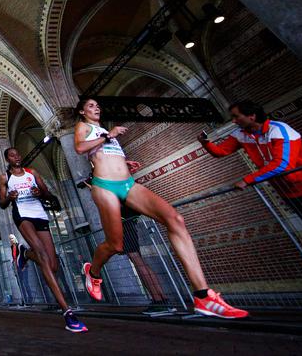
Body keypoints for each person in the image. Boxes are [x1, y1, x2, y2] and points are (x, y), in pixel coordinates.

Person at [74, 98, 248, 319]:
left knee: (175, 219)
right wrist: (109, 135)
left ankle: (204, 296)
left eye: (98, 105)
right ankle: (93, 271)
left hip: (128, 183)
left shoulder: (103, 131)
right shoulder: (84, 127)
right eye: (91, 106)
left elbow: (105, 155)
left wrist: (124, 162)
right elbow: (80, 148)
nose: (96, 108)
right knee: (116, 245)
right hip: (104, 186)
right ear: (82, 111)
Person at [198, 100, 302, 250]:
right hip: (289, 195)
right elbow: (221, 151)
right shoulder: (240, 135)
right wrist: (205, 143)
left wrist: (247, 180)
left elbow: (282, 164)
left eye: (236, 116)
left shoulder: (279, 130)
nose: (233, 121)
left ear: (251, 116)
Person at [0, 148, 88, 332]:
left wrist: (39, 192)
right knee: (43, 256)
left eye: (18, 154)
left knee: (52, 264)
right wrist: (10, 196)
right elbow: (2, 203)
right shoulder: (5, 178)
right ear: (7, 159)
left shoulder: (32, 173)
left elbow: (47, 194)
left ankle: (25, 253)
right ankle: (67, 312)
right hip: (22, 214)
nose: (16, 157)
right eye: (12, 155)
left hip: (39, 213)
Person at [9, 234, 32, 303]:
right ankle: (24, 300)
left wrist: (24, 266)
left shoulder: (20, 246)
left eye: (12, 238)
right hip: (17, 268)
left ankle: (30, 299)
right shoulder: (12, 247)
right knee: (20, 284)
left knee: (25, 283)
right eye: (10, 239)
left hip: (23, 267)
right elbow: (14, 257)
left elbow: (26, 255)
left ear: (15, 238)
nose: (11, 240)